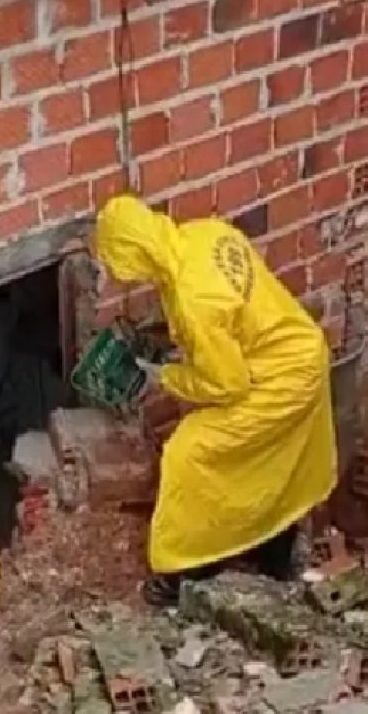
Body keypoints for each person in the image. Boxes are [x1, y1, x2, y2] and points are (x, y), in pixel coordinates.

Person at [92, 194, 337, 606]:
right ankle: (273, 550)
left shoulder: (194, 304)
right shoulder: (205, 233)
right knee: (268, 463)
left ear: (133, 257)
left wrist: (166, 376)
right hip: (300, 349)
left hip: (279, 381)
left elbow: (228, 386)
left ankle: (189, 565)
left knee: (189, 454)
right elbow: (230, 315)